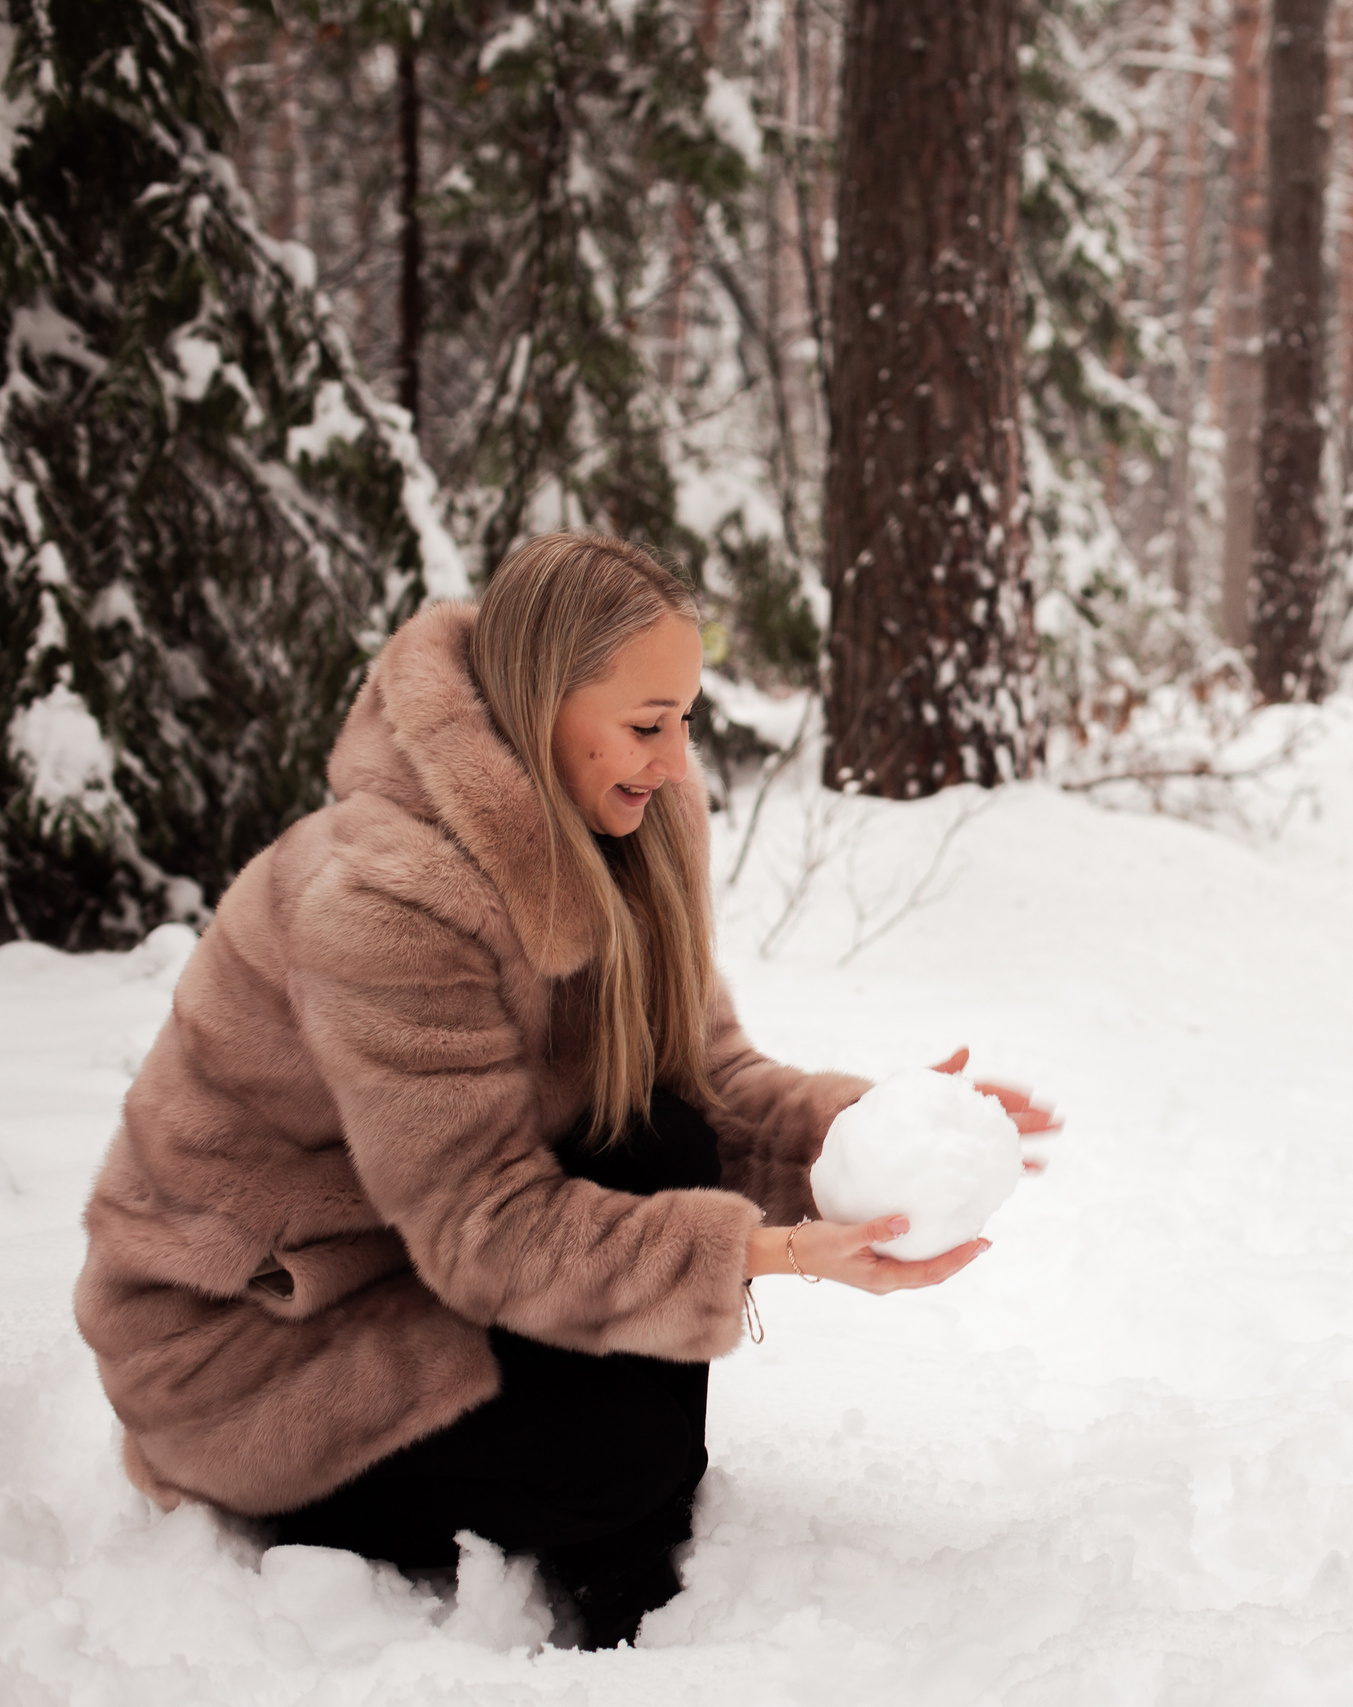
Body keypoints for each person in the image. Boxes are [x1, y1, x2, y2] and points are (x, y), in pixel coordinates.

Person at [74, 534, 1054, 1647]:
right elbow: (484, 1226)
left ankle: (612, 1500)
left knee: (661, 1141)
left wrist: (872, 1136)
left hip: (409, 1262)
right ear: (538, 709)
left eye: (686, 720)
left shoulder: (624, 821)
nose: (676, 762)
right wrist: (766, 1253)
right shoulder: (386, 897)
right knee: (617, 1460)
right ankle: (596, 1504)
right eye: (647, 725)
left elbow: (704, 1084)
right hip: (254, 1350)